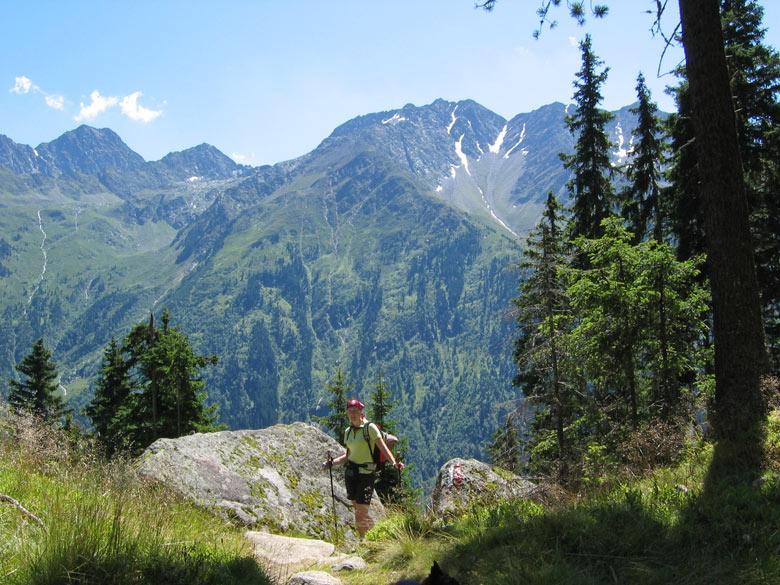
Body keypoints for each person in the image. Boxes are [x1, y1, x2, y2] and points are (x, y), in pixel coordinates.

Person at [323, 398, 404, 538]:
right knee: (359, 511)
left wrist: (394, 463)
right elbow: (348, 455)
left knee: (360, 515)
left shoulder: (370, 428)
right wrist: (332, 463)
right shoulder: (348, 432)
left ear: (361, 412)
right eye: (350, 411)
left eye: (355, 411)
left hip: (366, 475)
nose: (352, 414)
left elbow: (383, 448)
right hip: (351, 475)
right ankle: (379, 536)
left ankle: (364, 545)